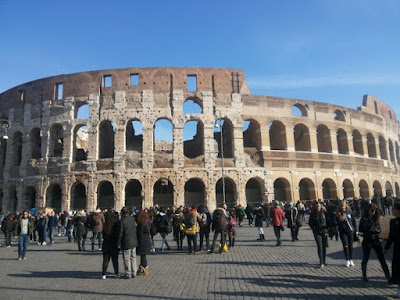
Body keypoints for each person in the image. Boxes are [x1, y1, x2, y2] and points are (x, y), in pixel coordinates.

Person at [359, 203, 390, 282]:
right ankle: (364, 276)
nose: (373, 212)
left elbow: (380, 229)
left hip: (375, 240)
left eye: (375, 211)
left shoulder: (376, 219)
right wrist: (369, 229)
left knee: (382, 259)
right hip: (367, 241)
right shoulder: (364, 218)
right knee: (365, 258)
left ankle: (388, 277)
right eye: (372, 210)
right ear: (368, 210)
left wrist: (376, 230)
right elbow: (360, 229)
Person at [383, 201, 400, 298]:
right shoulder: (393, 221)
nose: (392, 210)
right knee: (397, 269)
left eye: (394, 209)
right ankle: (399, 289)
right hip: (397, 248)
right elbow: (391, 236)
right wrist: (386, 248)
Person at [118, 207, 138, 279]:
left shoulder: (122, 221)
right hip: (133, 240)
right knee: (133, 257)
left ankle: (128, 273)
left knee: (126, 258)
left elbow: (121, 233)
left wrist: (119, 242)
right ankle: (134, 272)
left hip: (126, 241)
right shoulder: (132, 219)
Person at [336, 201, 357, 267]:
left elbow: (353, 221)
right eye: (341, 206)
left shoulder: (349, 212)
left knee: (351, 246)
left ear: (346, 206)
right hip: (342, 232)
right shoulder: (338, 214)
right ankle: (347, 259)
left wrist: (355, 230)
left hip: (350, 231)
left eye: (343, 205)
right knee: (345, 246)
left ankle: (351, 259)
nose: (342, 207)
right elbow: (336, 224)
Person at [309, 201, 328, 268]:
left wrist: (327, 228)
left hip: (324, 231)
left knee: (324, 246)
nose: (318, 207)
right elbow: (310, 223)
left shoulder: (325, 213)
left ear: (321, 206)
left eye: (319, 206)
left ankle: (324, 261)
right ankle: (321, 262)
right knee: (320, 246)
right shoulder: (313, 214)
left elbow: (328, 221)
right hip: (317, 232)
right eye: (317, 206)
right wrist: (314, 228)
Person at [101, 211, 120, 279]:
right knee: (115, 260)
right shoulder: (116, 226)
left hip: (106, 244)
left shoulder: (105, 226)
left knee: (105, 260)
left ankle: (104, 274)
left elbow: (103, 236)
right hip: (114, 245)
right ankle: (116, 273)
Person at [136, 210, 152, 276]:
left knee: (143, 255)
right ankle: (142, 268)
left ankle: (144, 269)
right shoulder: (147, 222)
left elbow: (139, 233)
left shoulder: (141, 224)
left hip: (142, 241)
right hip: (147, 240)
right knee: (143, 255)